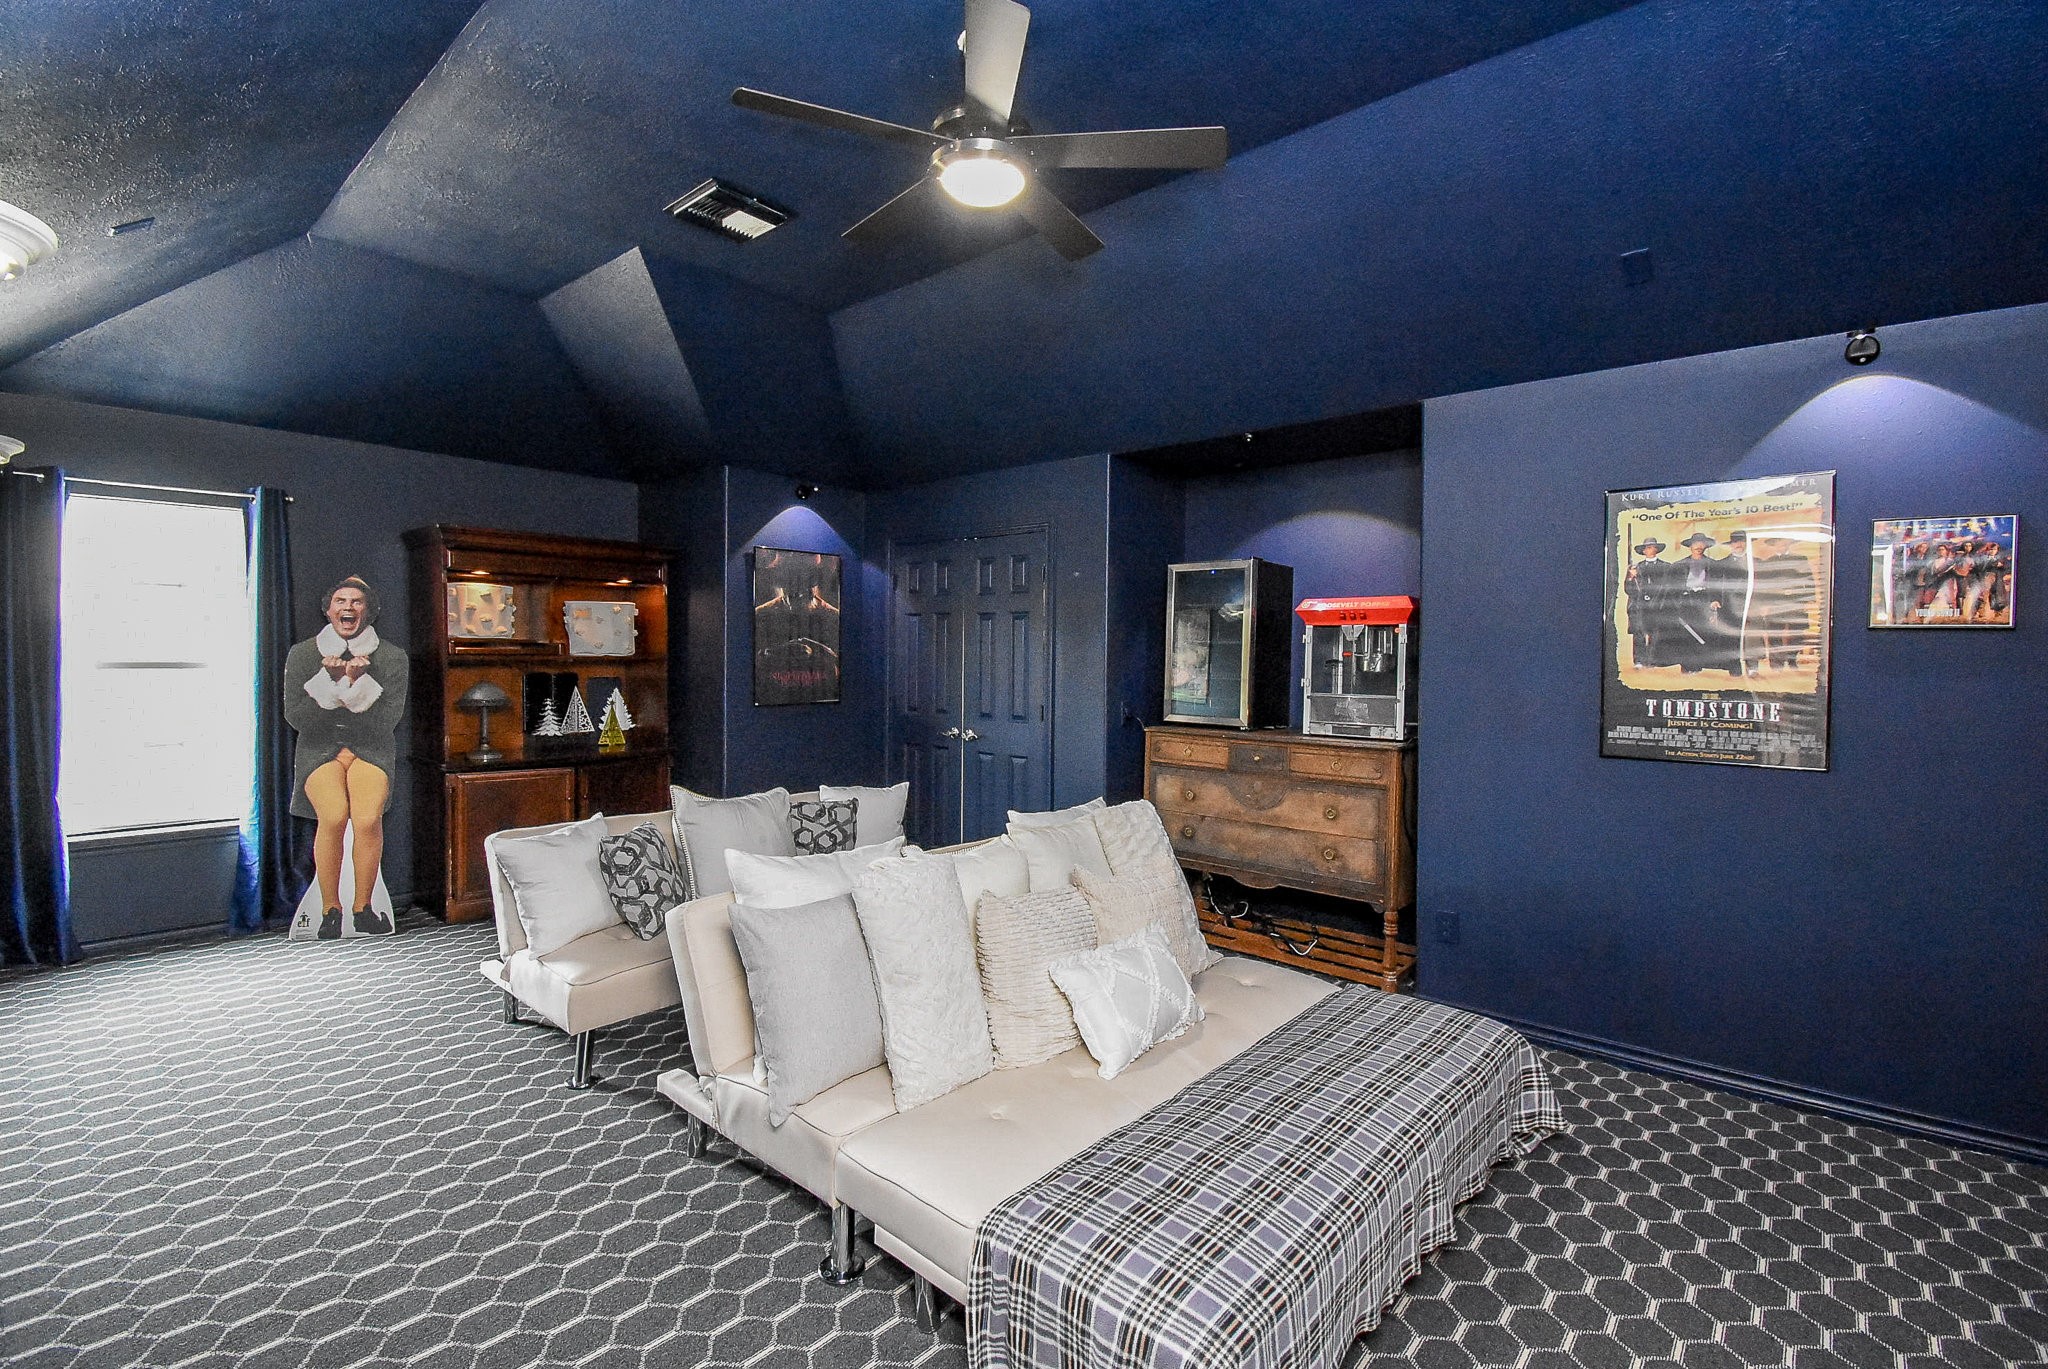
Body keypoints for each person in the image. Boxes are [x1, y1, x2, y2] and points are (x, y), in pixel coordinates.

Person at [283, 577, 408, 938]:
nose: (348, 607)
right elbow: (297, 715)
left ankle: (363, 908)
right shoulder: (304, 654)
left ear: (368, 610)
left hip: (371, 749)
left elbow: (387, 719)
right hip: (320, 751)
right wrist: (334, 682)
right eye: (340, 600)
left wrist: (357, 683)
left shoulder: (392, 656)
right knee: (334, 816)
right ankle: (329, 910)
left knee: (367, 819)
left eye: (356, 601)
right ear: (328, 609)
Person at [1622, 536, 1674, 668]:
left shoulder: (1666, 567)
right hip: (1640, 606)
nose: (1650, 550)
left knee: (1656, 633)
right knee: (1639, 633)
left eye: (1653, 547)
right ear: (1643, 551)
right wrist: (1630, 577)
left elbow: (1669, 588)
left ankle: (1652, 660)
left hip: (1658, 606)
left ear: (1657, 549)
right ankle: (1639, 660)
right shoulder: (1636, 568)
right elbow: (1629, 590)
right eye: (1647, 548)